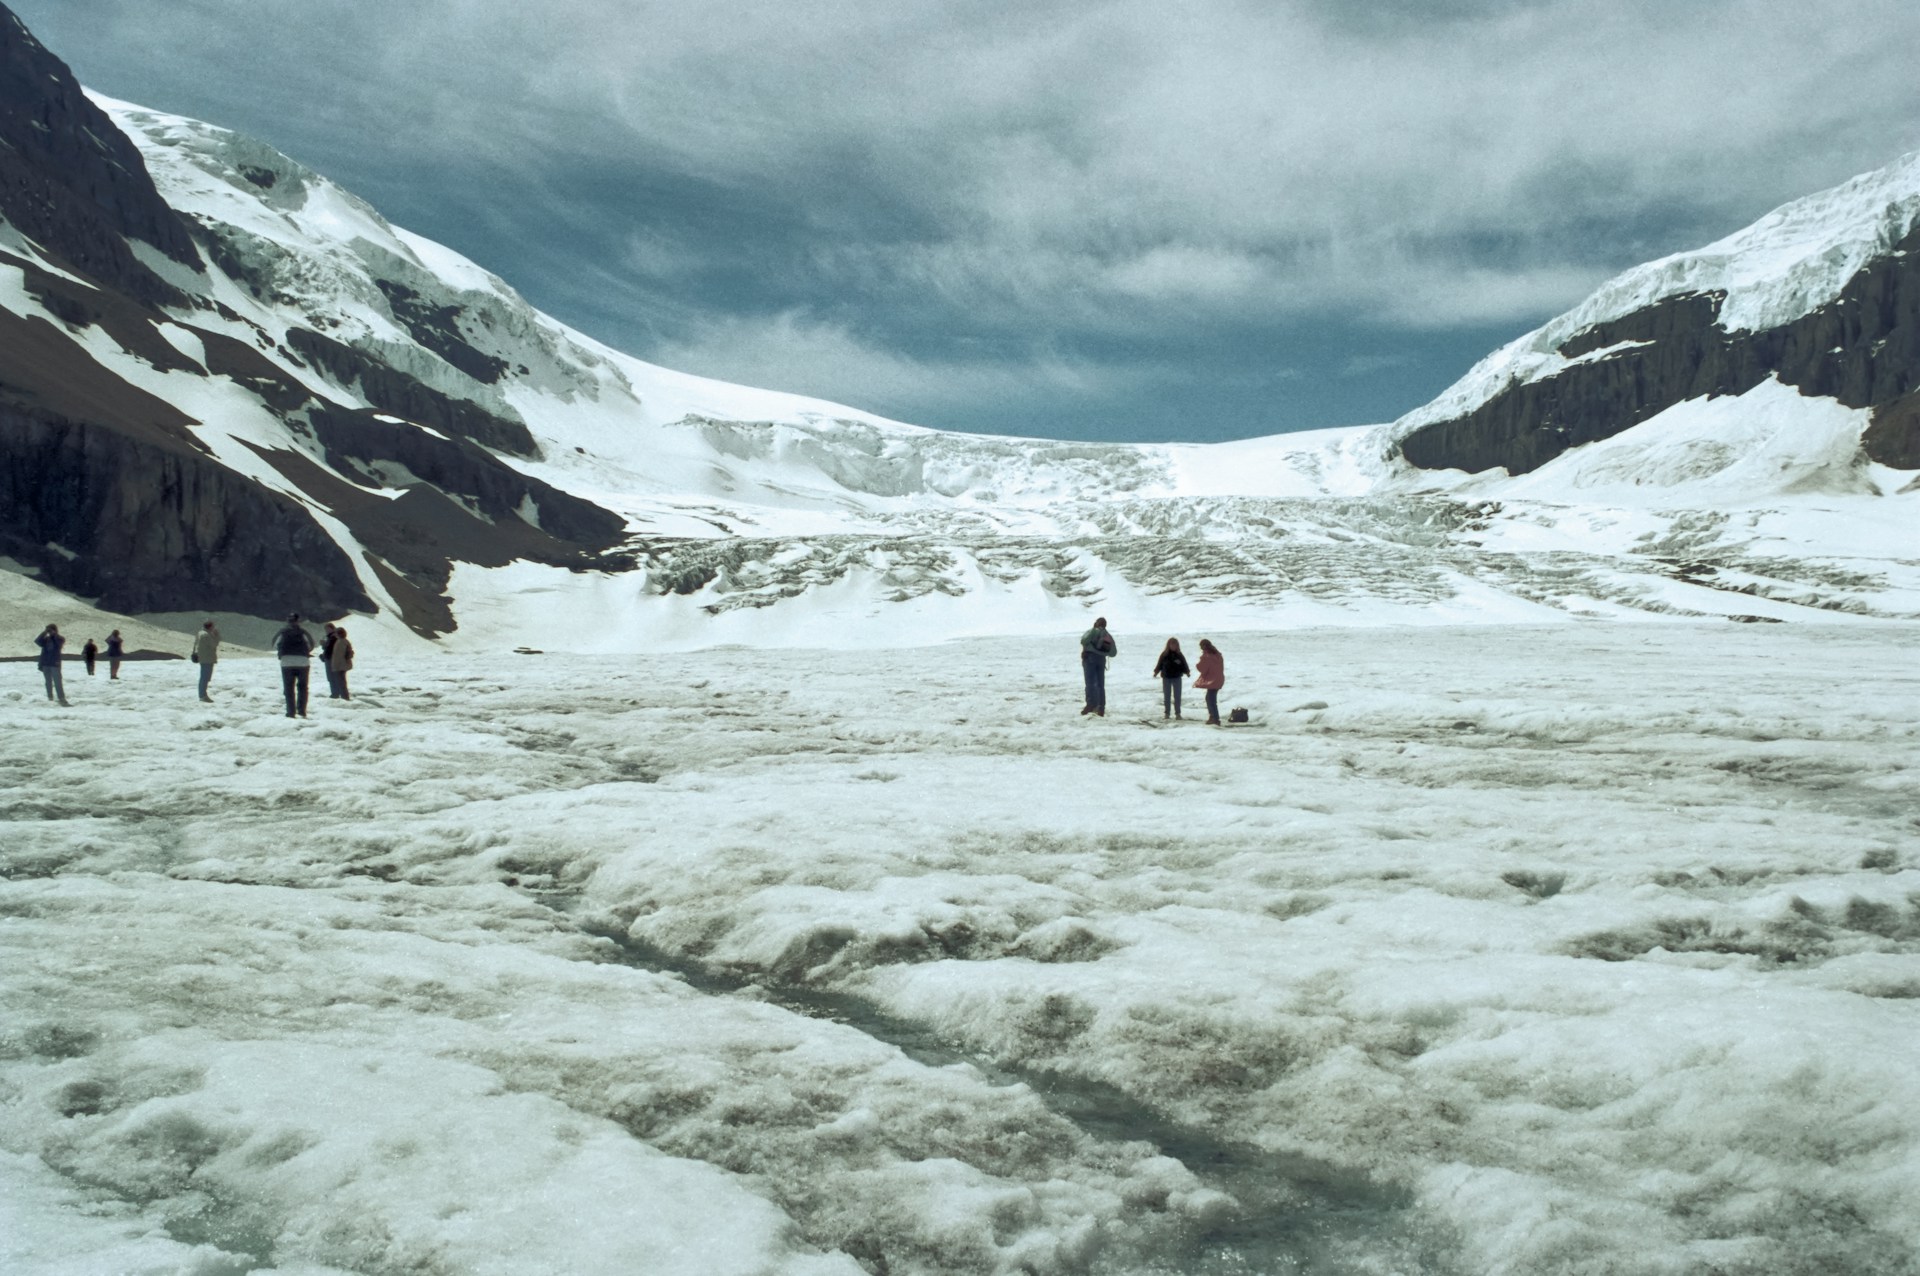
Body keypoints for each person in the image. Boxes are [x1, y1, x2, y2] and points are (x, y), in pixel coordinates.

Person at [273, 612, 316, 718]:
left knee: (289, 688)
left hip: (286, 663)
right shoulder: (303, 632)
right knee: (302, 687)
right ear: (298, 621)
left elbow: (274, 645)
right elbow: (311, 645)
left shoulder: (282, 632)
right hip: (303, 662)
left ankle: (290, 712)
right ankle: (302, 711)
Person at [1079, 617, 1117, 717]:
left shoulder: (1092, 632)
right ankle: (1101, 707)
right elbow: (1113, 653)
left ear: (1096, 623)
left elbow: (1083, 640)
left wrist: (1093, 629)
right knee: (1100, 684)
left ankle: (1090, 705)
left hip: (1089, 659)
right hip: (1101, 660)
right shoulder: (1108, 635)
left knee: (1090, 683)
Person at [1151, 638, 1190, 720]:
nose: (1173, 646)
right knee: (1167, 696)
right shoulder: (1164, 654)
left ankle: (1178, 713)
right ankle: (1167, 713)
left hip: (1177, 677)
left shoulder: (1179, 655)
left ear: (1177, 646)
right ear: (1168, 645)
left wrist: (1187, 672)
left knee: (1177, 696)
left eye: (1175, 645)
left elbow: (1184, 664)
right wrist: (1156, 672)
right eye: (1172, 644)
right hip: (1166, 678)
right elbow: (1159, 664)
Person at [36, 623, 69, 705]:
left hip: (55, 663)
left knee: (57, 681)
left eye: (50, 630)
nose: (49, 632)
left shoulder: (60, 638)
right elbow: (37, 641)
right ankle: (50, 697)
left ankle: (61, 698)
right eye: (48, 630)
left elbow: (59, 643)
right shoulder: (46, 640)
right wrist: (44, 632)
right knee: (48, 682)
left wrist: (54, 635)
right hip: (46, 663)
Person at [1193, 638, 1225, 725]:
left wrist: (1198, 664)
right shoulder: (1217, 654)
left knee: (1210, 699)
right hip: (1219, 679)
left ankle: (1214, 718)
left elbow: (1202, 668)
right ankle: (1214, 717)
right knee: (1211, 698)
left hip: (1212, 680)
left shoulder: (1207, 656)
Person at [191, 620, 221, 701]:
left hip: (203, 658)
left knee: (204, 677)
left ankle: (202, 694)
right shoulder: (206, 635)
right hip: (207, 658)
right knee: (205, 677)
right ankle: (203, 695)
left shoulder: (200, 633)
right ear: (210, 627)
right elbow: (214, 644)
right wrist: (216, 635)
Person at [328, 625, 354, 700]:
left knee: (341, 683)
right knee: (342, 682)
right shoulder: (344, 641)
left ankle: (345, 697)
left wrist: (336, 666)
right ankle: (344, 696)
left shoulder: (341, 642)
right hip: (342, 665)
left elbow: (338, 656)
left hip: (340, 666)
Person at [319, 623, 342, 698]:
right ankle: (335, 692)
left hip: (331, 659)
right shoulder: (331, 637)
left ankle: (335, 693)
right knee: (332, 677)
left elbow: (330, 649)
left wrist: (324, 645)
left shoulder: (333, 637)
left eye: (327, 629)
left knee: (332, 677)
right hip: (330, 659)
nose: (326, 631)